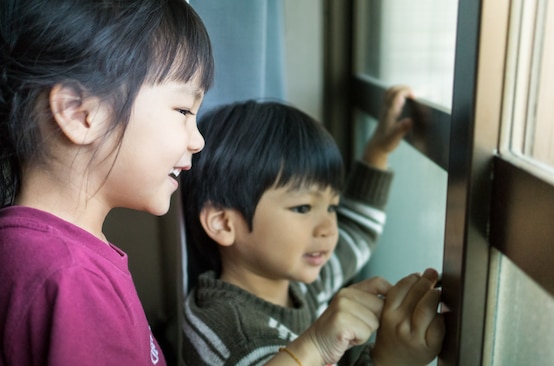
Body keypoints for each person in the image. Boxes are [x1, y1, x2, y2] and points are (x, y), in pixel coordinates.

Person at [0, 0, 214, 364]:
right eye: (182, 111)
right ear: (80, 113)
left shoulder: (37, 249)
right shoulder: (73, 278)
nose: (198, 140)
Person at [181, 86, 445, 365]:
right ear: (223, 223)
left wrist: (377, 153)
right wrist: (389, 359)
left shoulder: (303, 285)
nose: (329, 228)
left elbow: (356, 233)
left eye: (332, 207)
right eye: (303, 208)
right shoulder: (222, 331)